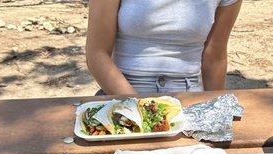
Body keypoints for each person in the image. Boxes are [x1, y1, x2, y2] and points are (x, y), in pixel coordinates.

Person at [86, 0, 242, 95]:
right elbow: (97, 54)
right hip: (122, 93)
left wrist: (215, 108)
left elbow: (214, 57)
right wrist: (139, 107)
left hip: (189, 96)